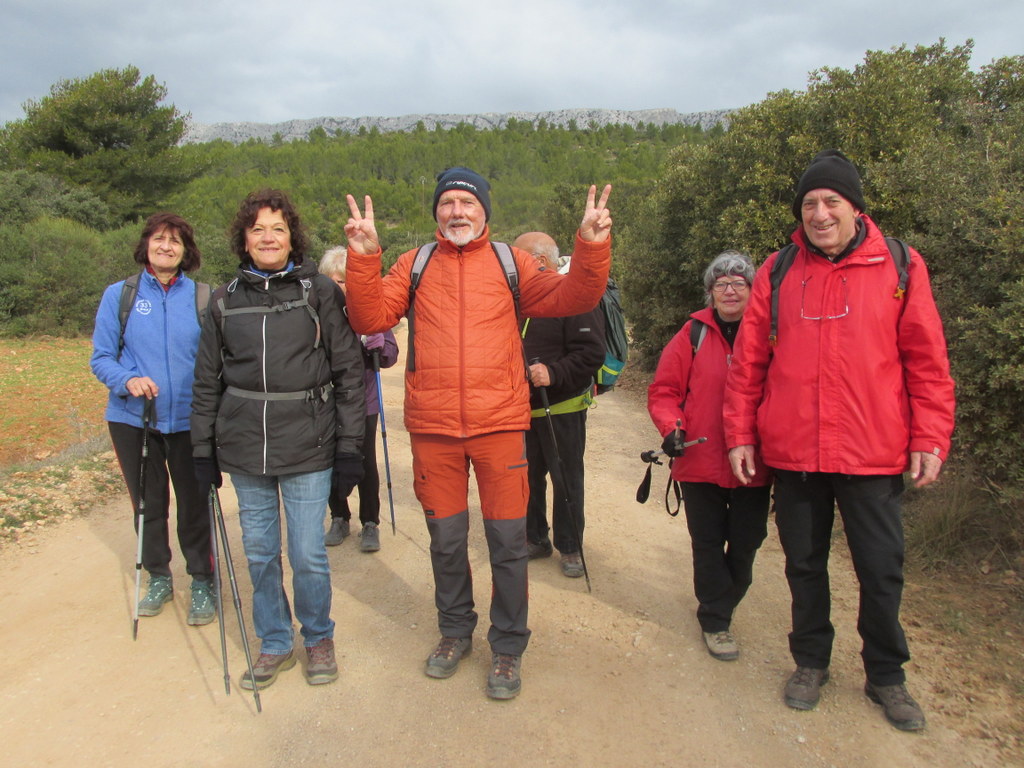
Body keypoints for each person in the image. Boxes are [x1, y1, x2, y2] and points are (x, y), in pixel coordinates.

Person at [343, 168, 612, 700]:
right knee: (446, 542)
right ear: (436, 212)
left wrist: (591, 243)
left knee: (508, 543)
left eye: (468, 202)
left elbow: (574, 296)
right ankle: (454, 632)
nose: (457, 211)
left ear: (485, 211)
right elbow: (369, 313)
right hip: (434, 429)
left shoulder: (512, 263)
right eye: (448, 203)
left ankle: (508, 645)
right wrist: (364, 256)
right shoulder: (414, 263)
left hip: (500, 427)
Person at [723, 150, 955, 731]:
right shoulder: (778, 271)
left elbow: (926, 360)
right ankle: (810, 662)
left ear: (855, 207)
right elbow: (748, 364)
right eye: (809, 204)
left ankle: (886, 675)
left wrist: (930, 435)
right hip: (796, 451)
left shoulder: (898, 265)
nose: (820, 214)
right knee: (804, 564)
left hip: (872, 452)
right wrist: (739, 434)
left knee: (880, 568)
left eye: (831, 202)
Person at [191, 189, 366, 691]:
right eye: (258, 230)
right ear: (243, 240)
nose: (268, 238)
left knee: (308, 551)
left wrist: (350, 447)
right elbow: (207, 382)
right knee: (261, 552)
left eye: (278, 229)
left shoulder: (320, 293)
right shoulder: (224, 301)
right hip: (245, 448)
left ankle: (317, 637)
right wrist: (202, 450)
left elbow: (349, 373)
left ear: (293, 237)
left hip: (309, 444)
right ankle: (274, 641)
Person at [90, 213, 215, 626]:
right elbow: (101, 358)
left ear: (187, 251)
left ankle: (202, 579)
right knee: (148, 503)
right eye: (159, 239)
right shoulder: (119, 295)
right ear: (146, 245)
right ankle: (158, 575)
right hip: (133, 419)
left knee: (194, 504)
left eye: (175, 241)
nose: (166, 247)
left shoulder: (203, 297)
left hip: (189, 420)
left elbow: (218, 359)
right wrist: (128, 380)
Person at [647, 251, 771, 662]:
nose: (730, 291)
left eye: (739, 283)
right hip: (699, 459)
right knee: (706, 541)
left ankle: (722, 601)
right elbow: (665, 391)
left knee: (748, 541)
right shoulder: (693, 334)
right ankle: (716, 620)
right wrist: (673, 429)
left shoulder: (772, 334)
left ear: (754, 291)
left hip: (755, 460)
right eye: (721, 284)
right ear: (710, 292)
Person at [514, 232, 605, 579]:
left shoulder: (573, 296)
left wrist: (553, 372)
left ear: (539, 260)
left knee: (566, 479)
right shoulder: (516, 298)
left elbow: (591, 352)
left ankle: (570, 547)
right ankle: (535, 538)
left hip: (562, 406)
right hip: (520, 408)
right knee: (526, 478)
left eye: (518, 258)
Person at [319, 246, 399, 552]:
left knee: (364, 461)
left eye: (348, 280)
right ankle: (339, 516)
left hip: (363, 401)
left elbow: (390, 356)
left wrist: (377, 344)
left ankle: (370, 522)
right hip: (326, 402)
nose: (343, 287)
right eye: (337, 280)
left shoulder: (370, 309)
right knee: (327, 460)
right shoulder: (317, 312)